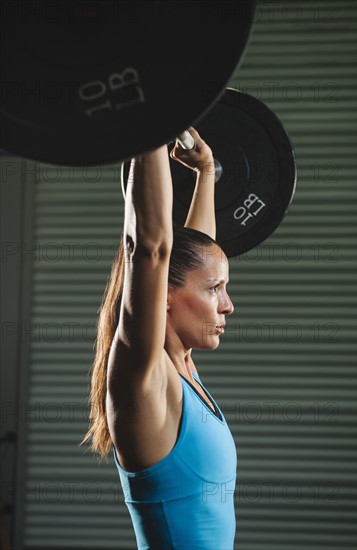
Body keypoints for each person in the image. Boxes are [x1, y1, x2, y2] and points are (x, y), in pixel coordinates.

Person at [82, 128, 237, 549]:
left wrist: (206, 173)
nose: (228, 306)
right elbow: (149, 247)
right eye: (215, 291)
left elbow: (193, 258)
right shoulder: (146, 380)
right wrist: (152, 117)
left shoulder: (182, 367)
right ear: (165, 298)